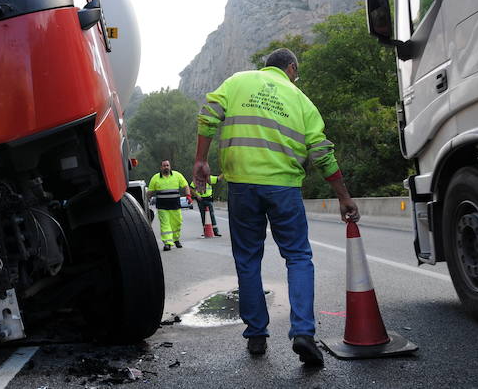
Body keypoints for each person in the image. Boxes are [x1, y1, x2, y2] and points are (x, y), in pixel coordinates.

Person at [192, 48, 359, 365]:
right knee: (298, 256)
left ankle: (256, 335)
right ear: (291, 69)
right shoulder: (300, 100)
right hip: (284, 188)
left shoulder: (238, 81)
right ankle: (303, 333)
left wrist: (201, 159)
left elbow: (208, 113)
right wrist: (343, 196)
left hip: (241, 184)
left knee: (247, 258)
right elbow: (322, 153)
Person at [148, 160, 190, 251]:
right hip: (162, 207)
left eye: (167, 165)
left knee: (177, 223)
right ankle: (167, 243)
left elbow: (186, 185)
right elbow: (150, 192)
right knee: (165, 225)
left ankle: (176, 240)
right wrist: (146, 201)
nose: (166, 167)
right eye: (164, 165)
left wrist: (188, 195)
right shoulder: (155, 178)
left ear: (170, 166)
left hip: (175, 206)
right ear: (161, 167)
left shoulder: (177, 175)